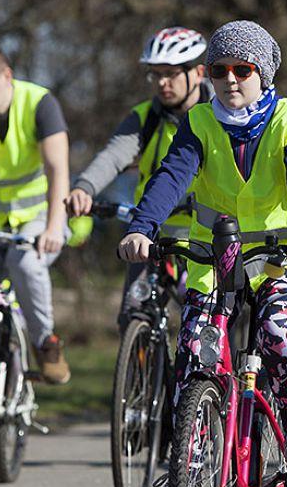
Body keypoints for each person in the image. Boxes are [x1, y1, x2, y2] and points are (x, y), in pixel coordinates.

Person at [118, 20, 287, 487]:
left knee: (278, 332)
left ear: (264, 73)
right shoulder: (199, 122)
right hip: (218, 253)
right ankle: (187, 465)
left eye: (243, 69)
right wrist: (142, 227)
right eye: (220, 70)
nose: (231, 79)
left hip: (286, 253)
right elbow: (171, 176)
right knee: (195, 350)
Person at [65, 26, 209, 328]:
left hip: (204, 233)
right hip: (152, 232)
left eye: (169, 73)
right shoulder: (146, 116)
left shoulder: (218, 116)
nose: (161, 83)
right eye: (155, 74)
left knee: (207, 321)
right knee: (134, 311)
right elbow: (114, 155)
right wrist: (84, 187)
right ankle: (139, 365)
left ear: (197, 73)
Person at [0, 40, 72, 384]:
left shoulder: (39, 103)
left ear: (6, 76)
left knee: (26, 263)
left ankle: (45, 343)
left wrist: (54, 227)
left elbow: (58, 170)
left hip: (35, 219)